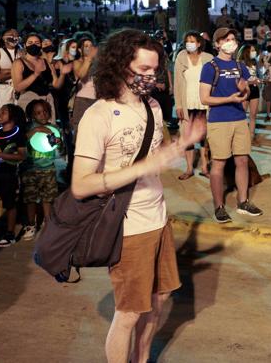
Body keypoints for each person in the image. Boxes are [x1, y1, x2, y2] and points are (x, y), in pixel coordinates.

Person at [71, 29, 205, 363]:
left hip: (158, 220)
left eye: (154, 70)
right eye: (143, 70)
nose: (151, 77)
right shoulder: (98, 115)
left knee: (158, 303)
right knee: (129, 313)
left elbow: (156, 155)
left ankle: (141, 360)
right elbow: (81, 185)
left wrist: (180, 145)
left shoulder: (154, 107)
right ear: (119, 65)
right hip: (126, 228)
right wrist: (143, 166)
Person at [200, 27, 263, 222]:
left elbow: (243, 92)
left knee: (242, 161)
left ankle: (243, 202)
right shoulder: (210, 67)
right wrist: (229, 98)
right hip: (219, 121)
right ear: (217, 44)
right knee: (218, 164)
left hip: (238, 119)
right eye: (226, 39)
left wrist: (247, 87)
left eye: (233, 39)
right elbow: (204, 98)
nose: (231, 42)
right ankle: (219, 207)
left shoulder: (239, 65)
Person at [20, 99, 61, 241]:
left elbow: (59, 148)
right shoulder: (29, 127)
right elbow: (22, 139)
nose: (42, 115)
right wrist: (37, 129)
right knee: (30, 198)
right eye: (38, 113)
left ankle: (48, 223)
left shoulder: (53, 129)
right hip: (30, 169)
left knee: (48, 198)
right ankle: (31, 224)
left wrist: (57, 141)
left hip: (48, 168)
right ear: (32, 115)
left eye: (45, 111)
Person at [173, 32, 212, 180]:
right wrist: (178, 105)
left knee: (204, 136)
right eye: (187, 41)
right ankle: (189, 168)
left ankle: (204, 166)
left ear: (199, 43)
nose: (189, 43)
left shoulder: (208, 58)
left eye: (192, 41)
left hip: (203, 103)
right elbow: (177, 83)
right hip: (186, 103)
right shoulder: (181, 57)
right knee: (187, 136)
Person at [0, 104, 28, 247]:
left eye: (4, 112)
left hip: (8, 173)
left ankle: (10, 234)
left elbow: (22, 155)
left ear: (13, 116)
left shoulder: (18, 134)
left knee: (9, 203)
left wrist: (1, 155)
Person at [12, 33, 62, 123]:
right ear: (25, 45)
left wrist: (63, 74)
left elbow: (56, 84)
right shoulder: (18, 63)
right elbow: (18, 87)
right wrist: (35, 74)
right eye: (30, 43)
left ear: (41, 45)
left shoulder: (45, 61)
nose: (33, 45)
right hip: (28, 103)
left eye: (37, 43)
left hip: (47, 103)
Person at [0, 28, 20, 111]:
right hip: (4, 88)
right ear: (3, 37)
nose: (14, 36)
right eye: (11, 34)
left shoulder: (22, 52)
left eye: (16, 34)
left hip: (20, 89)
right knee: (4, 115)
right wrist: (17, 71)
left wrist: (5, 71)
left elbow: (26, 71)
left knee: (20, 117)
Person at [237, 44, 261, 141]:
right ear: (246, 52)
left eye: (254, 50)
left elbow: (254, 75)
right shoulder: (240, 64)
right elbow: (239, 80)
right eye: (252, 50)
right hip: (245, 89)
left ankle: (251, 136)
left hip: (255, 89)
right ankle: (241, 135)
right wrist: (252, 82)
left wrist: (259, 80)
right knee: (242, 114)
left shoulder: (254, 62)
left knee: (253, 114)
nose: (254, 52)